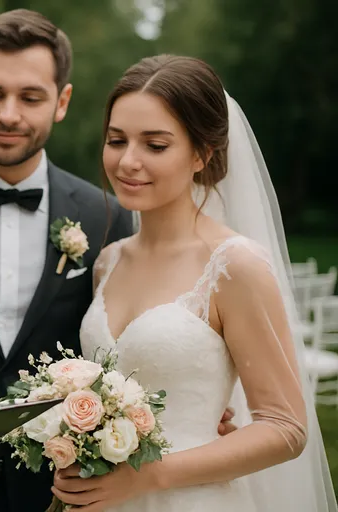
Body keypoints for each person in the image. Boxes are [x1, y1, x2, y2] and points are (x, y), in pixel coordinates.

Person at [0, 9, 232, 512]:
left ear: (62, 101)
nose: (9, 114)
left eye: (30, 97)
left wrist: (202, 413)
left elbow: (139, 331)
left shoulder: (110, 215)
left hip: (64, 488)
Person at [53, 54, 338, 512]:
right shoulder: (108, 262)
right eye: (116, 140)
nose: (128, 161)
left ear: (202, 154)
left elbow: (286, 427)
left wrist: (148, 476)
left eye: (155, 145)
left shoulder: (233, 265)